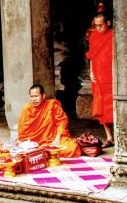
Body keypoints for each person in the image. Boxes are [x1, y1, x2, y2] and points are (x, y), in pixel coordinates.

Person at [17, 84, 81, 157]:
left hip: (53, 138)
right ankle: (43, 152)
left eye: (36, 96)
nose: (34, 99)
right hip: (34, 142)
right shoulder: (26, 109)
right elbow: (22, 129)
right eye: (32, 97)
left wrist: (57, 138)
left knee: (71, 149)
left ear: (43, 96)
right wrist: (22, 142)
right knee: (27, 151)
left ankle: (43, 152)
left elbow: (62, 121)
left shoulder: (52, 105)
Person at [86, 12, 115, 147]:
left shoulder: (114, 35)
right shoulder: (93, 36)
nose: (98, 28)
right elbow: (91, 55)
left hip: (111, 76)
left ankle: (119, 137)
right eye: (96, 26)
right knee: (101, 108)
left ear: (107, 24)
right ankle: (109, 137)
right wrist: (91, 71)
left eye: (101, 25)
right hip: (98, 76)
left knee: (113, 107)